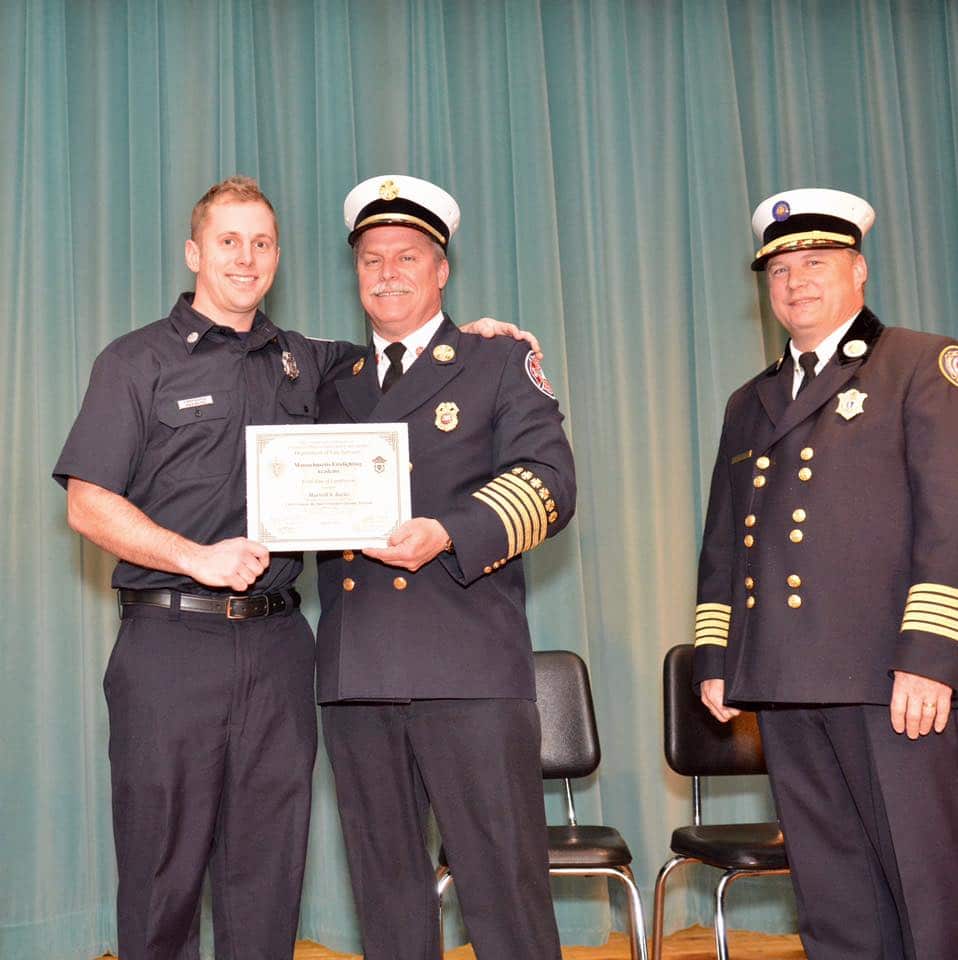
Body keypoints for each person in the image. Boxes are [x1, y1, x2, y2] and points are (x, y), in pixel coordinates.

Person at [53, 175, 541, 960]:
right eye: (228, 241)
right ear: (194, 252)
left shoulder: (311, 366)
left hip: (282, 650)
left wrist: (479, 341)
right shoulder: (135, 361)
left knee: (267, 878)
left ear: (278, 256)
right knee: (162, 878)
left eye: (262, 243)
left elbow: (414, 358)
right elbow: (87, 503)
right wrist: (194, 558)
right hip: (170, 644)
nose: (246, 258)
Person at [315, 174, 576, 960]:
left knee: (503, 893)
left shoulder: (497, 363)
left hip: (468, 669)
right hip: (358, 672)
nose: (387, 273)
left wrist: (449, 532)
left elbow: (550, 484)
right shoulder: (333, 382)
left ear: (441, 271)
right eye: (370, 259)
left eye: (407, 256)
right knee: (387, 899)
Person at [693, 187, 958, 960]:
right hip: (784, 674)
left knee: (925, 884)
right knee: (830, 892)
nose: (797, 282)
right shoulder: (753, 399)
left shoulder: (921, 365)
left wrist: (930, 656)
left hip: (890, 678)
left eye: (817, 262)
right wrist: (718, 657)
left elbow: (950, 523)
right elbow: (723, 543)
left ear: (860, 270)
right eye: (780, 271)